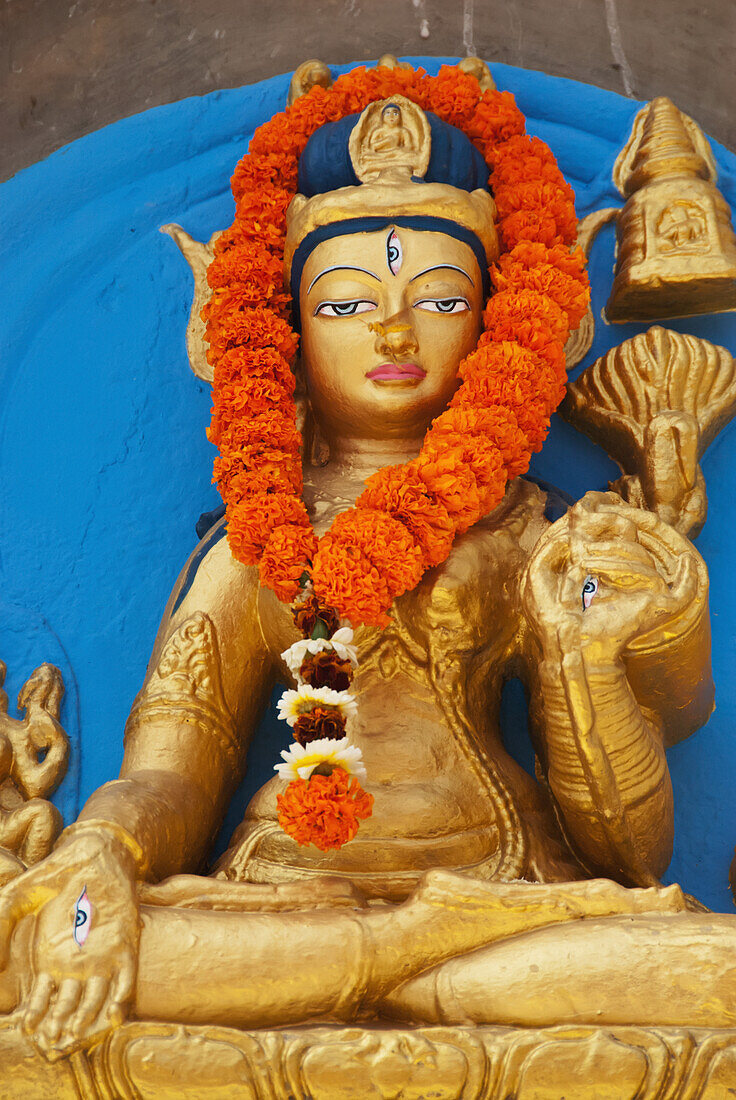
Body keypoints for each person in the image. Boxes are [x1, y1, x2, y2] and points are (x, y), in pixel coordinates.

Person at [0, 76, 729, 1063]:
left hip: (507, 891)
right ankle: (412, 956)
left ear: (500, 323)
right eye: (347, 301)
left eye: (438, 297)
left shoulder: (539, 538)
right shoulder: (257, 540)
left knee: (714, 966)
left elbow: (627, 856)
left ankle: (402, 957)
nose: (394, 330)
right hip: (278, 900)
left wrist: (587, 650)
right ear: (280, 329)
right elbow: (170, 775)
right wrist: (99, 851)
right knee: (54, 940)